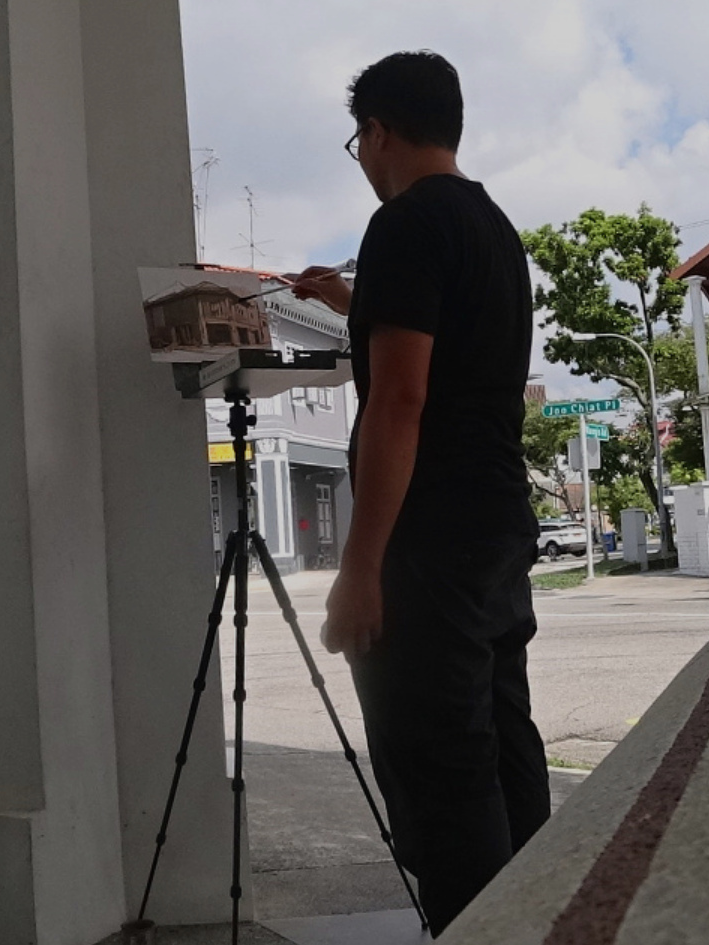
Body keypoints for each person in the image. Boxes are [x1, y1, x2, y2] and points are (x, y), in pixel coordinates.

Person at [290, 50, 548, 936]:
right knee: (502, 740)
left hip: (428, 532)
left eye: (359, 141)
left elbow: (400, 400)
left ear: (378, 131)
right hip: (497, 521)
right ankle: (542, 916)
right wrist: (349, 302)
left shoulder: (401, 224)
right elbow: (449, 335)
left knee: (439, 765)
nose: (362, 159)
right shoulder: (492, 226)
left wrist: (361, 566)